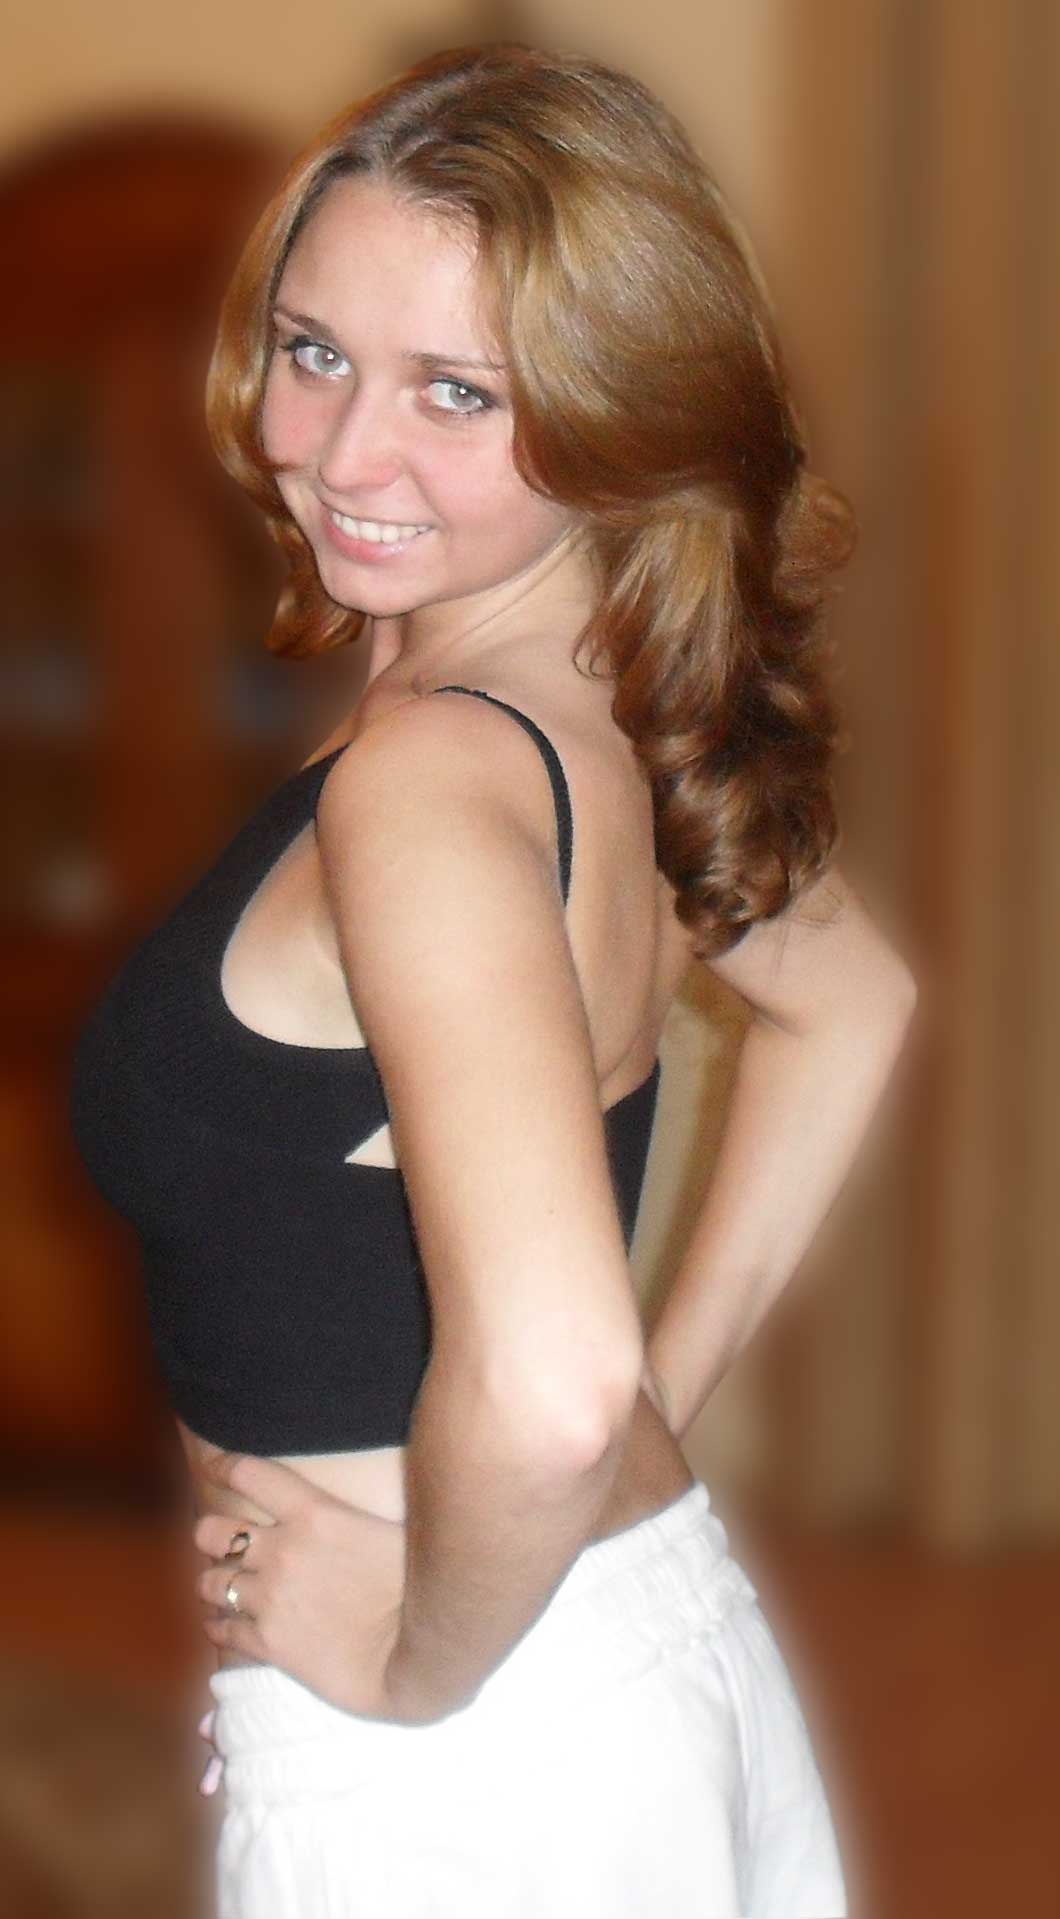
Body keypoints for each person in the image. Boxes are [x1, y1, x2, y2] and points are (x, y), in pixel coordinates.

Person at [69, 40, 916, 1918]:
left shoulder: (434, 781)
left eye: (459, 392)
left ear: (623, 410)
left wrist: (410, 1664)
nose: (341, 454)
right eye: (313, 351)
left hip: (473, 1741)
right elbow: (854, 1004)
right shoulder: (611, 702)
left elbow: (548, 1385)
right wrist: (656, 1403)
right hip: (631, 1633)